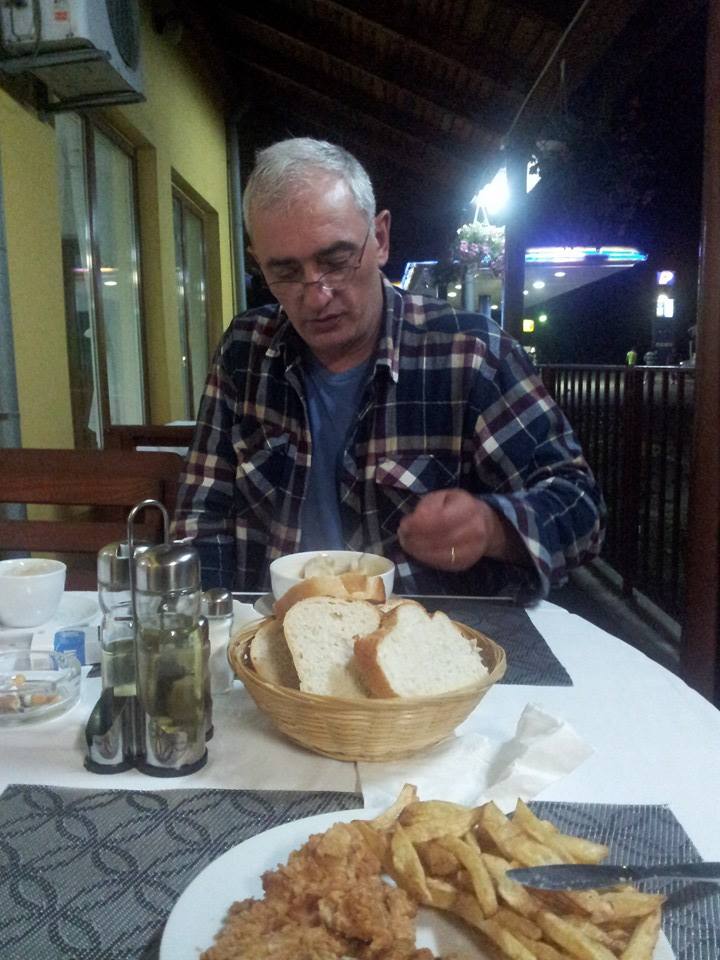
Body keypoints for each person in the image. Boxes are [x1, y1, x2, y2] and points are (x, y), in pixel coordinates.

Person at [172, 138, 605, 601]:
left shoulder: (470, 352)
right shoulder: (246, 350)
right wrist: (212, 624)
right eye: (286, 272)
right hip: (275, 631)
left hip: (428, 635)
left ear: (379, 239)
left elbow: (581, 509)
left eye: (336, 261)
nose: (316, 295)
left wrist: (492, 526)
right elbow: (201, 516)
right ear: (259, 263)